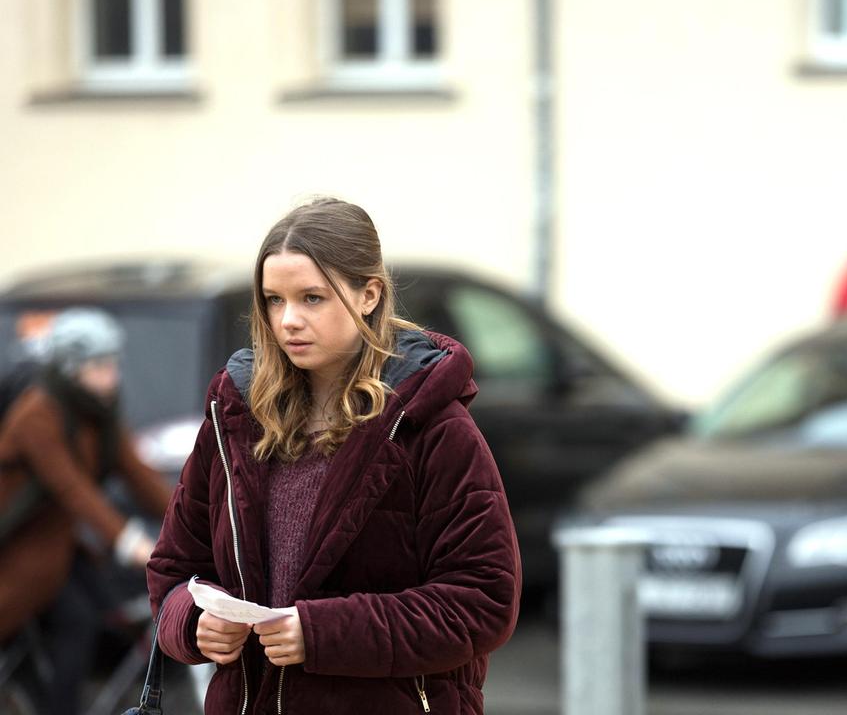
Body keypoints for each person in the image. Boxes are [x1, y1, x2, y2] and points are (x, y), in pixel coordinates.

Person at [146, 198, 521, 714]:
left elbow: (482, 602)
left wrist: (322, 633)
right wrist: (194, 621)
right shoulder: (234, 417)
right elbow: (173, 570)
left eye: (312, 298)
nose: (289, 320)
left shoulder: (434, 428)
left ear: (369, 294)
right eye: (274, 300)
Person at [0, 308, 172, 715]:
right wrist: (132, 542)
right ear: (73, 368)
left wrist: (194, 520)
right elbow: (74, 491)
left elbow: (138, 474)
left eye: (113, 362)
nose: (111, 374)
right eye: (99, 365)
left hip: (55, 547)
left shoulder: (99, 412)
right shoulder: (36, 415)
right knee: (73, 621)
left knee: (85, 620)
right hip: (16, 552)